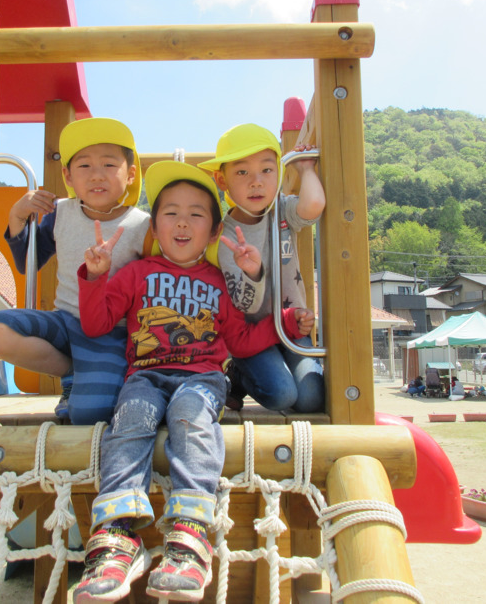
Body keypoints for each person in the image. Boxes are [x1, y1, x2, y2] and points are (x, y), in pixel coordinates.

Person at [72, 161, 313, 603]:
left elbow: (240, 340)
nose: (182, 222)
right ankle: (116, 536)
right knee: (129, 420)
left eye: (196, 214)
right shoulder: (136, 273)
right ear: (155, 226)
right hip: (145, 376)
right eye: (171, 213)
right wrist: (95, 276)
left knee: (189, 418)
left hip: (201, 378)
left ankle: (189, 534)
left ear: (215, 230)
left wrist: (287, 322)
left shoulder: (218, 281)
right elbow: (96, 323)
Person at [0, 117, 150, 424]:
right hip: (64, 323)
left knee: (90, 414)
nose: (97, 175)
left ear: (130, 175)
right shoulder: (60, 212)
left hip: (111, 332)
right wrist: (17, 215)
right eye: (84, 166)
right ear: (68, 176)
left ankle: (93, 378)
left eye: (109, 164)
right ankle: (72, 371)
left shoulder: (142, 226)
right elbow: (28, 262)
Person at [198, 123, 326, 413]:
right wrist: (253, 272)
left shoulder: (281, 210)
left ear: (278, 173)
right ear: (222, 180)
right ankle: (238, 374)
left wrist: (306, 169)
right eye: (242, 172)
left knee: (310, 399)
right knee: (282, 395)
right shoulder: (224, 237)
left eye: (267, 170)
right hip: (252, 334)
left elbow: (314, 205)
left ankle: (251, 373)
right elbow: (246, 304)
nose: (256, 182)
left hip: (293, 325)